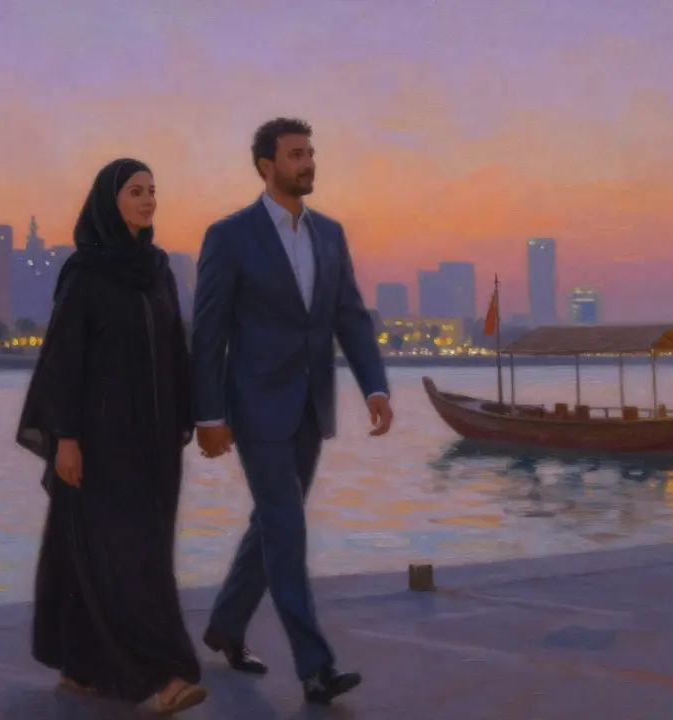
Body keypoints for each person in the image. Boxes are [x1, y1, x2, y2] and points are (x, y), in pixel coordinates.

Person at [190, 118, 394, 707]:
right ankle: (314, 666)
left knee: (274, 523)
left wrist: (374, 388)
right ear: (265, 165)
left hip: (312, 405)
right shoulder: (230, 237)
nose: (308, 163)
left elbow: (350, 316)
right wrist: (208, 416)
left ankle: (227, 624)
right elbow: (208, 333)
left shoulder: (330, 234)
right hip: (253, 407)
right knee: (286, 524)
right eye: (295, 154)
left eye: (310, 153)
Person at [16, 158, 207, 715]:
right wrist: (65, 437)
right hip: (100, 442)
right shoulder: (85, 273)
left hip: (154, 443)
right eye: (135, 191)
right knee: (130, 559)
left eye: (153, 191)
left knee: (122, 551)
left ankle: (81, 663)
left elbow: (176, 347)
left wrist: (190, 418)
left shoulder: (158, 269)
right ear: (109, 201)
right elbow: (64, 359)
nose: (148, 200)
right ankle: (164, 676)